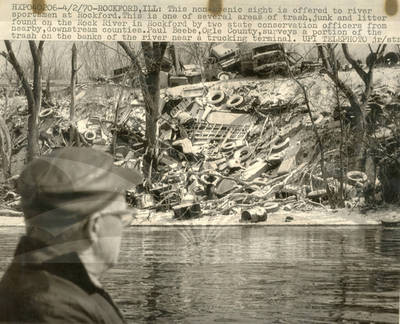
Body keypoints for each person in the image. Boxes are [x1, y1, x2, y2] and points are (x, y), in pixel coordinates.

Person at [0, 147, 142, 323]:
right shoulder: (54, 311)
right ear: (94, 227)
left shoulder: (51, 286)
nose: (123, 228)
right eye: (122, 217)